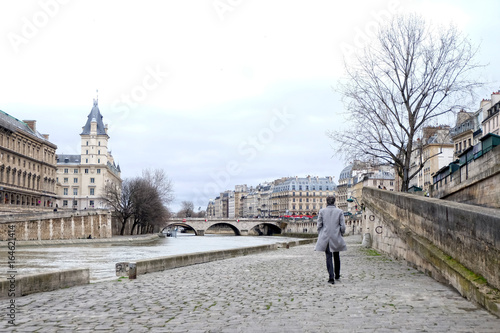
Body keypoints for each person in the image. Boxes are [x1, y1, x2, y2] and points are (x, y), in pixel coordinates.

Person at [314, 195, 347, 284]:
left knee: (328, 257)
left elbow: (319, 225)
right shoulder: (340, 211)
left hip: (326, 236)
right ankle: (337, 274)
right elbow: (343, 226)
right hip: (336, 236)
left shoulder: (322, 211)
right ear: (334, 202)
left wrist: (321, 234)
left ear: (326, 202)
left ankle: (331, 277)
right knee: (336, 256)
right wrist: (341, 233)